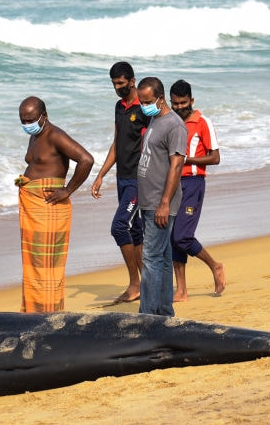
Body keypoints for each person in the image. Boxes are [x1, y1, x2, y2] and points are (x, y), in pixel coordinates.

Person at [17, 96, 94, 312]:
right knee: (34, 264)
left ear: (44, 116)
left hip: (48, 207)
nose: (26, 124)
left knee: (47, 266)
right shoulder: (35, 135)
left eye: (30, 119)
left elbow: (86, 159)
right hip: (34, 208)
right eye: (23, 121)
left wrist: (68, 190)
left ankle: (48, 315)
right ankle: (34, 311)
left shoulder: (54, 135)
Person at [90, 61, 150, 304]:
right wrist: (101, 173)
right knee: (135, 232)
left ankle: (135, 284)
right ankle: (147, 283)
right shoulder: (119, 107)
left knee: (119, 226)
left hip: (138, 179)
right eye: (114, 84)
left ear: (132, 81)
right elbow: (117, 143)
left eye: (121, 84)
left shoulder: (144, 109)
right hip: (121, 178)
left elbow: (153, 144)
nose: (117, 88)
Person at [169, 79, 226, 301]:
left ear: (191, 100)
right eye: (175, 103)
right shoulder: (170, 122)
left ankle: (215, 265)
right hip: (172, 183)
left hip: (193, 183)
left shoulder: (203, 122)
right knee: (173, 238)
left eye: (183, 103)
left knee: (182, 237)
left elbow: (215, 157)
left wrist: (186, 160)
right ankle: (181, 291)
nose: (180, 107)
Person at [135, 78, 186, 316]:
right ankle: (164, 312)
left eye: (147, 101)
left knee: (150, 258)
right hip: (150, 200)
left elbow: (177, 165)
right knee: (163, 258)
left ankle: (148, 315)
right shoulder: (156, 119)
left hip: (160, 202)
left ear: (160, 98)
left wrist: (164, 203)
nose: (144, 106)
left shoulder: (174, 126)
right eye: (142, 101)